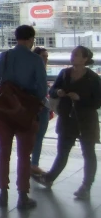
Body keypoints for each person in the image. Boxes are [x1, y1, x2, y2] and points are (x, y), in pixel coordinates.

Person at [0, 25, 47, 209]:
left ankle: (3, 192)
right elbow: (41, 90)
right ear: (31, 38)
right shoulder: (36, 60)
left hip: (4, 111)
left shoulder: (4, 56)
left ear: (16, 38)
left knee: (3, 151)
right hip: (25, 113)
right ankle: (23, 195)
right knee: (24, 155)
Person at [37, 46, 100, 200]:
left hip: (86, 121)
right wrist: (57, 92)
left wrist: (80, 99)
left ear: (85, 59)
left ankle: (86, 186)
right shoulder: (64, 73)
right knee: (63, 152)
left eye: (76, 55)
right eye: (72, 54)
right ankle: (49, 178)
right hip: (67, 120)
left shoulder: (93, 78)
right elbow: (52, 91)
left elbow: (98, 101)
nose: (72, 57)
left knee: (88, 154)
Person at [31, 47, 51, 175]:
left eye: (46, 57)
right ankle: (33, 165)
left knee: (36, 137)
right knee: (37, 137)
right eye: (43, 56)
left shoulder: (34, 70)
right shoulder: (38, 71)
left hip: (39, 107)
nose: (45, 59)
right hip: (39, 108)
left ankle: (31, 163)